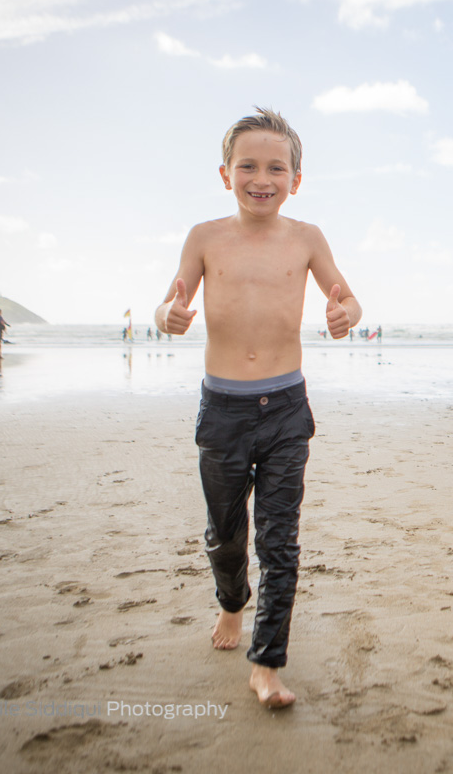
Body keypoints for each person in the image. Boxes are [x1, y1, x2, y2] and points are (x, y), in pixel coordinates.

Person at [154, 107, 360, 709]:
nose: (261, 177)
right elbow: (171, 303)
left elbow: (348, 300)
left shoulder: (307, 238)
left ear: (296, 178)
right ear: (226, 174)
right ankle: (230, 603)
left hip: (285, 411)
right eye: (248, 165)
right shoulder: (204, 237)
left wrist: (346, 317)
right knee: (225, 535)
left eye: (276, 167)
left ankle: (266, 664)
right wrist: (165, 318)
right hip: (222, 409)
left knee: (280, 542)